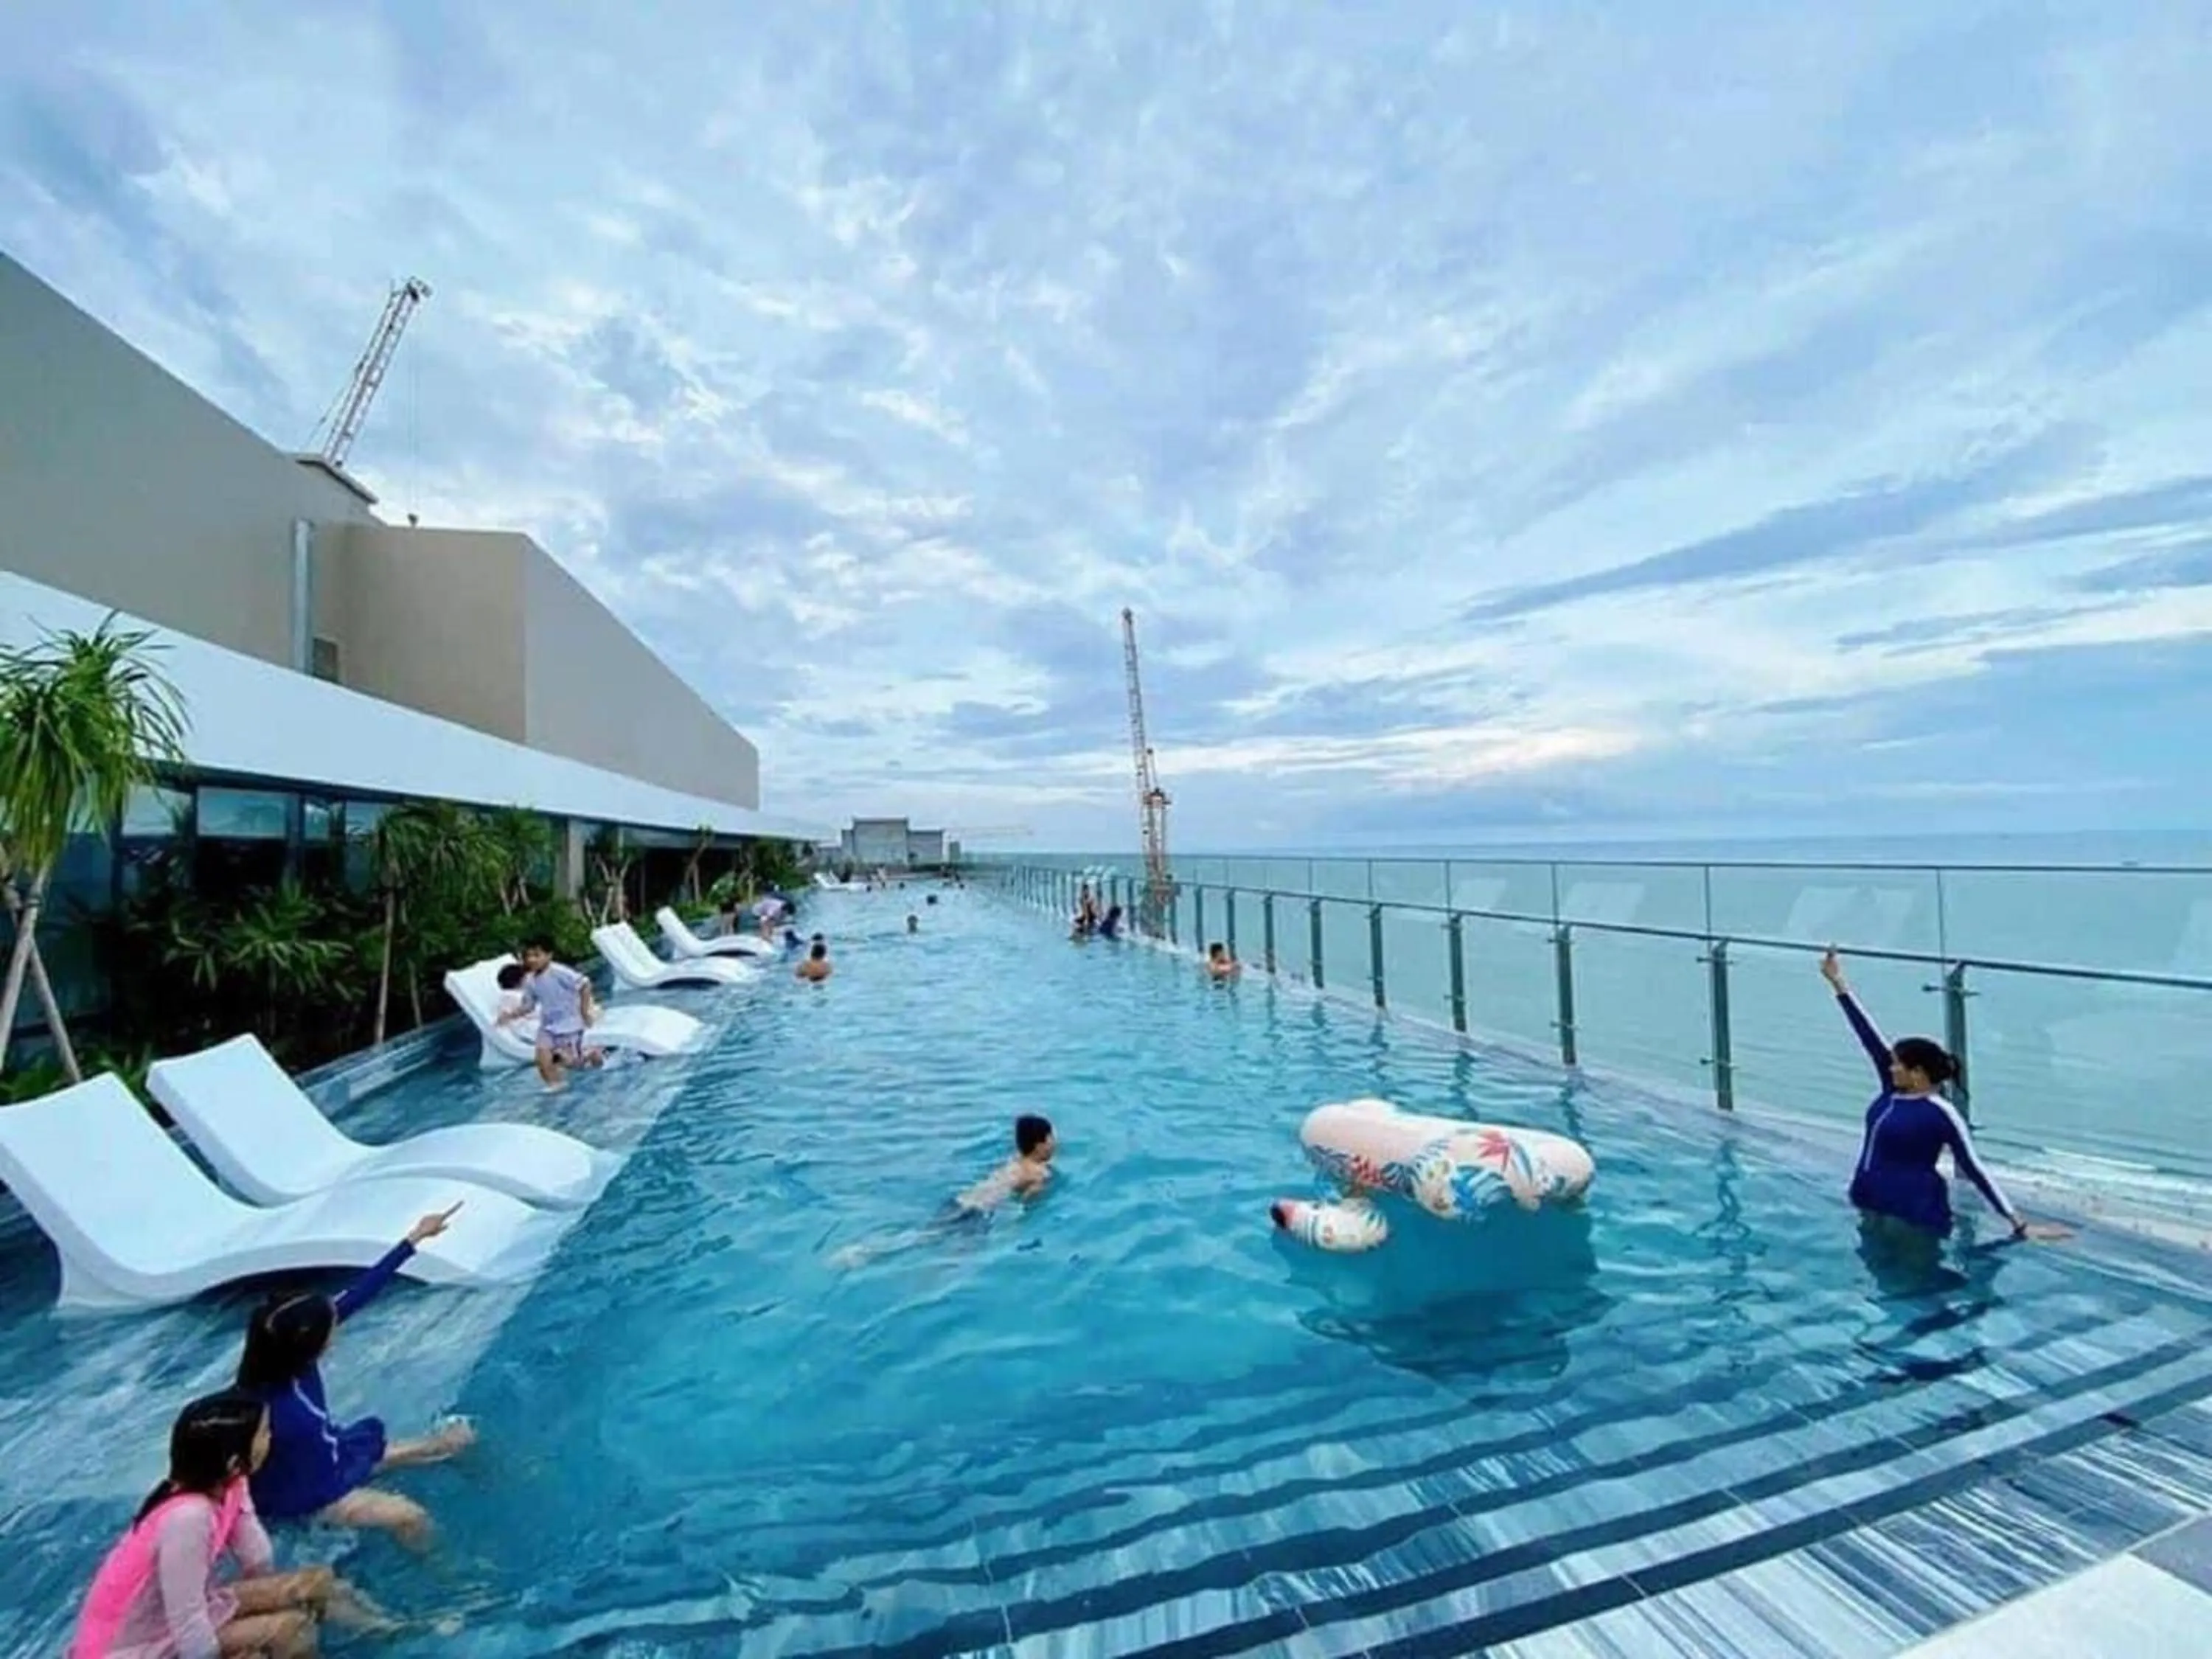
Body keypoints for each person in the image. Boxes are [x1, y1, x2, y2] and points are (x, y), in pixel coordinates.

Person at [237, 1206, 478, 1550]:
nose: (336, 1332)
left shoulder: (289, 1359)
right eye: (330, 1330)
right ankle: (452, 1583)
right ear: (310, 1344)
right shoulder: (268, 1408)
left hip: (335, 1457)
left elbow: (357, 1296)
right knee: (411, 1516)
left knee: (454, 1443)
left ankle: (494, 1482)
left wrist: (414, 1238)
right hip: (308, 1494)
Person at [71, 1390, 348, 1659]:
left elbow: (257, 1558)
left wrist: (266, 1605)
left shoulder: (229, 1484)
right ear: (233, 1461)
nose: (271, 1438)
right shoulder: (189, 1518)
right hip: (129, 1648)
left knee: (315, 1582)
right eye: (264, 1434)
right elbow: (187, 1622)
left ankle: (386, 1632)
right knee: (291, 1630)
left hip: (169, 1622)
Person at [1820, 948, 2070, 1245]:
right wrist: (1838, 984)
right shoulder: (1892, 1090)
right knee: (1881, 1282)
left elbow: (1974, 1168)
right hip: (1870, 1202)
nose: (1891, 1066)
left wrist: (2019, 1224)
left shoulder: (1940, 1112)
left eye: (1898, 1063)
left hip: (1916, 1213)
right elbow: (1867, 1034)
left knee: (1915, 1287)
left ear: (1918, 1073)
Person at [500, 936, 604, 1088]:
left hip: (570, 1022)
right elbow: (529, 1005)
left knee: (573, 1062)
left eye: (537, 955)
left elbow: (584, 984)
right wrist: (510, 1015)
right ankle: (555, 1086)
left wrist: (584, 1011)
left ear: (549, 955)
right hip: (548, 1026)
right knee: (541, 1058)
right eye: (528, 956)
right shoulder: (530, 980)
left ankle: (592, 1054)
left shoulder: (558, 971)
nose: (532, 960)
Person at [954, 1114, 1058, 1213]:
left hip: (962, 1200)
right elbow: (1027, 1205)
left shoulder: (1015, 1160)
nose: (1054, 1142)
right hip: (979, 1211)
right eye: (1051, 1138)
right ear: (1039, 1145)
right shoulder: (1039, 1174)